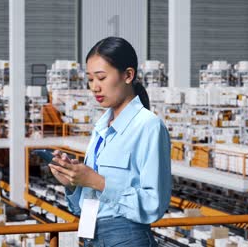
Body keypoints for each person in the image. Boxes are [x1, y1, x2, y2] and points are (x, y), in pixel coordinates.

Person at [48, 37, 171, 247]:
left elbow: (154, 204)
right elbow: (86, 206)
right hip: (92, 236)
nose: (94, 87)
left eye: (101, 78)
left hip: (127, 238)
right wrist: (72, 183)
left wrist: (96, 181)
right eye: (90, 79)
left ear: (128, 75)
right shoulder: (101, 129)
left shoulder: (148, 126)